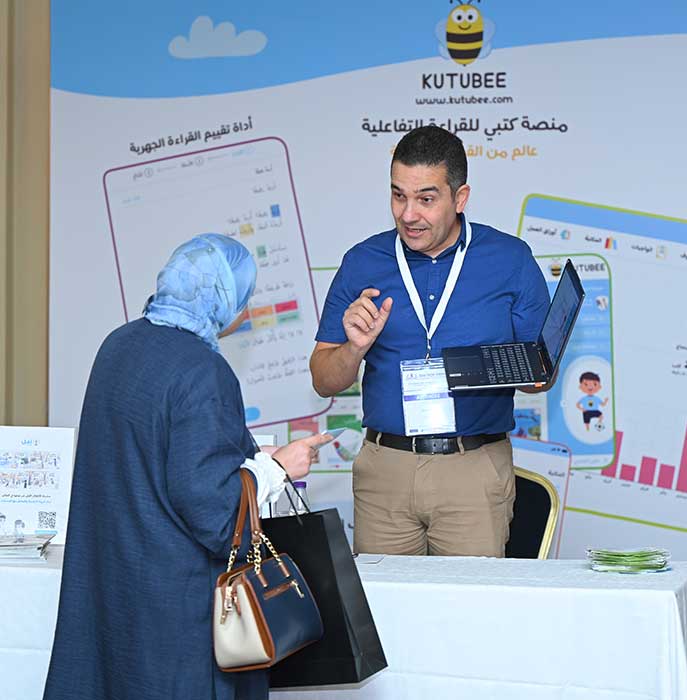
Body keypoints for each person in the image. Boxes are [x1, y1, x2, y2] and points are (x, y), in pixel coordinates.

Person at [44, 234, 331, 700]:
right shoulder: (203, 370)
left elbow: (148, 457)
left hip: (115, 587)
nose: (244, 311)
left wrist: (247, 458)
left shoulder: (118, 344)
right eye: (242, 297)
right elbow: (215, 515)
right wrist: (277, 468)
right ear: (223, 298)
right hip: (175, 609)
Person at [310, 126, 551, 558]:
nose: (408, 214)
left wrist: (489, 366)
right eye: (398, 195)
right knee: (384, 602)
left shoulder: (510, 259)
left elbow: (540, 378)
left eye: (426, 199)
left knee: (469, 601)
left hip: (472, 469)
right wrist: (354, 348)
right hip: (385, 471)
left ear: (460, 198)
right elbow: (324, 379)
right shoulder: (362, 262)